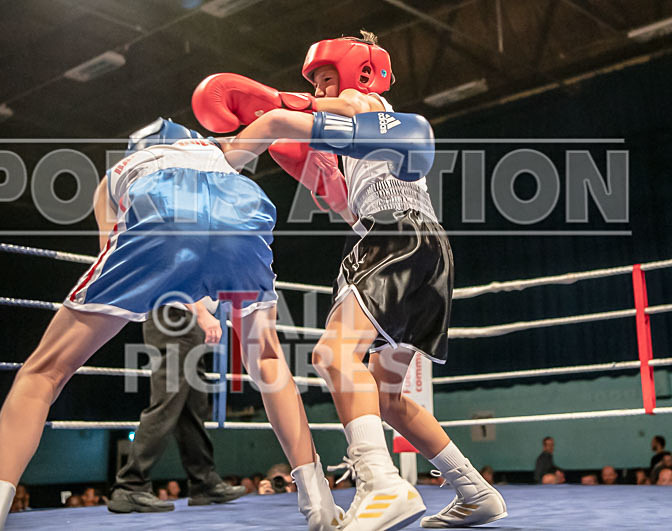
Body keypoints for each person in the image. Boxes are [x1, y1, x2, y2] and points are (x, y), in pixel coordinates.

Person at [0, 118, 341, 531]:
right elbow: (275, 122)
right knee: (266, 359)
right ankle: (319, 500)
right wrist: (341, 120)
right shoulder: (217, 151)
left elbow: (114, 248)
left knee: (44, 371)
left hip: (156, 211)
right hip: (242, 211)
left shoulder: (112, 178)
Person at [192, 30, 506, 529]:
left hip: (393, 239)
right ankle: (475, 491)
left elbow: (286, 118)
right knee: (388, 398)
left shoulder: (363, 102)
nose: (319, 91)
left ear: (357, 74)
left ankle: (381, 486)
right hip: (425, 248)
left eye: (325, 79)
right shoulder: (364, 140)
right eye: (314, 84)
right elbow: (344, 205)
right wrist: (313, 163)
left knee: (333, 355)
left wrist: (229, 152)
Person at [108, 303, 245, 513]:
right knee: (167, 403)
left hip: (186, 319)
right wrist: (202, 314)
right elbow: (180, 274)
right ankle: (130, 484)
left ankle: (203, 482)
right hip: (176, 316)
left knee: (192, 406)